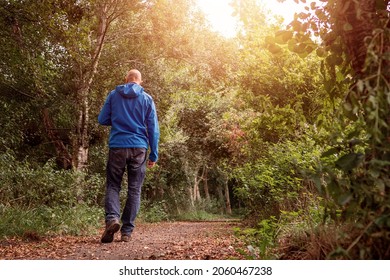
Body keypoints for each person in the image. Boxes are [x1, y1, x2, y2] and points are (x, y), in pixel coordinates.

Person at [98, 69, 159, 243]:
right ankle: (126, 232)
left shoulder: (113, 95)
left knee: (113, 185)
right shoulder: (147, 99)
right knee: (134, 189)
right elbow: (153, 129)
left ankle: (112, 219)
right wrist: (153, 154)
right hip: (139, 148)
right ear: (140, 81)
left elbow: (102, 119)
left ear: (126, 80)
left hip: (117, 146)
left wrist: (118, 119)